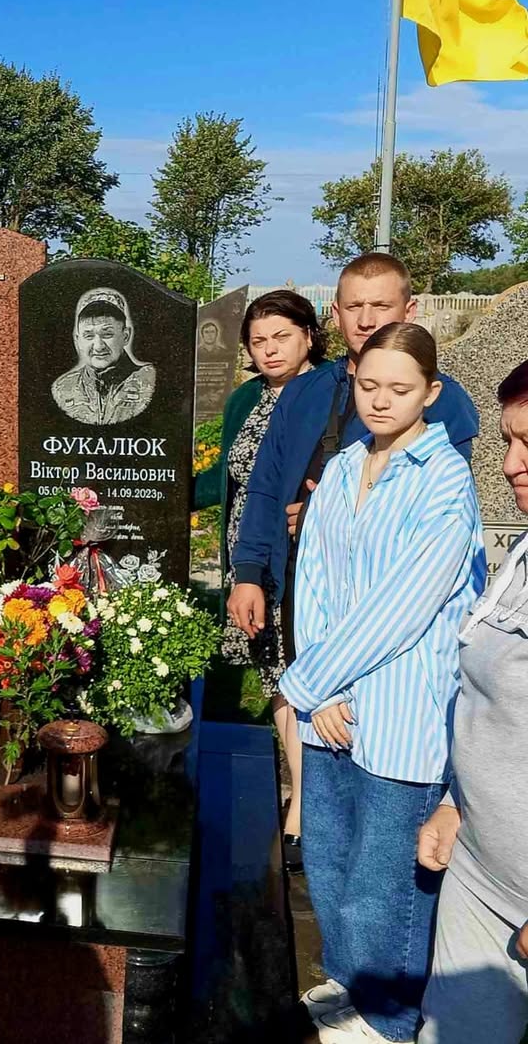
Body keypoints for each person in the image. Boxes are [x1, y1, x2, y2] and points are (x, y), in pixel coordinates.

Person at [280, 323, 486, 1044]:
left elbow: (404, 604)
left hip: (401, 707)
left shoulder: (444, 479)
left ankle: (388, 1015)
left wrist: (308, 681)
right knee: (332, 858)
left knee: (386, 878)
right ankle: (347, 979)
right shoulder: (343, 467)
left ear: (431, 392)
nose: (380, 400)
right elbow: (316, 583)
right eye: (369, 385)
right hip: (332, 705)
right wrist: (322, 694)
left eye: (399, 388)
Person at [227, 253, 478, 686]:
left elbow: (437, 508)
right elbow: (264, 487)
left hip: (381, 603)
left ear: (409, 311)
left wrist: (323, 515)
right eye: (354, 307)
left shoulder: (444, 401)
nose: (366, 320)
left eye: (380, 306)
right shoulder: (302, 392)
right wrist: (248, 572)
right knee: (294, 701)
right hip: (297, 582)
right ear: (336, 313)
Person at [193, 290, 330, 872]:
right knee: (274, 672)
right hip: (248, 553)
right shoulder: (247, 397)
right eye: (258, 341)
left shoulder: (331, 389)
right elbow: (229, 475)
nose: (269, 350)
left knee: (303, 673)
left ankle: (305, 807)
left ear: (309, 336)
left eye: (281, 337)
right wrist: (167, 490)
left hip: (300, 551)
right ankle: (300, 789)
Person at [416, 359, 528, 1044]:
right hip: (483, 870)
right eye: (510, 441)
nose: (511, 465)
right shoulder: (522, 553)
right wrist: (458, 801)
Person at [51, 287, 155, 425]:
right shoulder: (62, 389)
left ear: (125, 336)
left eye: (107, 334)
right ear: (78, 340)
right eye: (89, 336)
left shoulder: (151, 381)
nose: (98, 346)